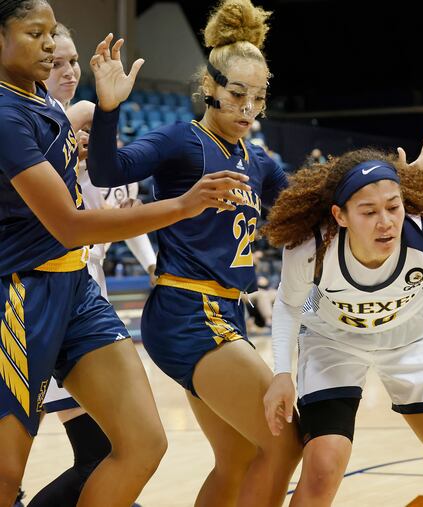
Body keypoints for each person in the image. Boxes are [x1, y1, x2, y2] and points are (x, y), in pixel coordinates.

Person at [0, 1, 251, 506]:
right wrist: (181, 205)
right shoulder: (5, 116)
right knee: (6, 477)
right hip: (20, 295)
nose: (50, 44)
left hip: (77, 289)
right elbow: (69, 225)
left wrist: (106, 114)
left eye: (54, 33)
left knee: (142, 443)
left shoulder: (43, 103)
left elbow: (94, 176)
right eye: (36, 33)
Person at [86, 1, 305, 505]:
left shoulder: (258, 161)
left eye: (259, 98)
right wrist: (109, 109)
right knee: (285, 439)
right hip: (187, 309)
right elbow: (107, 171)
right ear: (209, 88)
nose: (248, 108)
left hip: (227, 310)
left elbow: (308, 203)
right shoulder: (182, 140)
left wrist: (389, 185)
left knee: (240, 460)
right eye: (236, 94)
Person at [261, 147, 423, 507]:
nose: (386, 221)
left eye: (393, 207)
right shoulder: (311, 246)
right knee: (322, 467)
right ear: (341, 215)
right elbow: (288, 304)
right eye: (369, 211)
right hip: (334, 340)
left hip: (416, 338)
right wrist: (281, 373)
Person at [21, 22, 153, 507]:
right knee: (99, 454)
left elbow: (119, 216)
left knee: (112, 450)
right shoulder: (28, 125)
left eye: (73, 61)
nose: (69, 70)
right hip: (31, 303)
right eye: (56, 62)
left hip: (79, 301)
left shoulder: (82, 133)